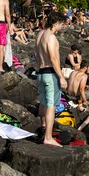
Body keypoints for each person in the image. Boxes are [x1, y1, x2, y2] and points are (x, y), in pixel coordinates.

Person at [35, 11, 67, 147]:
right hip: (50, 73)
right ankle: (48, 137)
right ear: (56, 23)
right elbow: (53, 59)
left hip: (41, 73)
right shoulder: (51, 37)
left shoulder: (40, 34)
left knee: (43, 102)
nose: (62, 27)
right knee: (51, 106)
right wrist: (61, 77)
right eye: (62, 24)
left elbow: (37, 55)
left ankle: (43, 127)